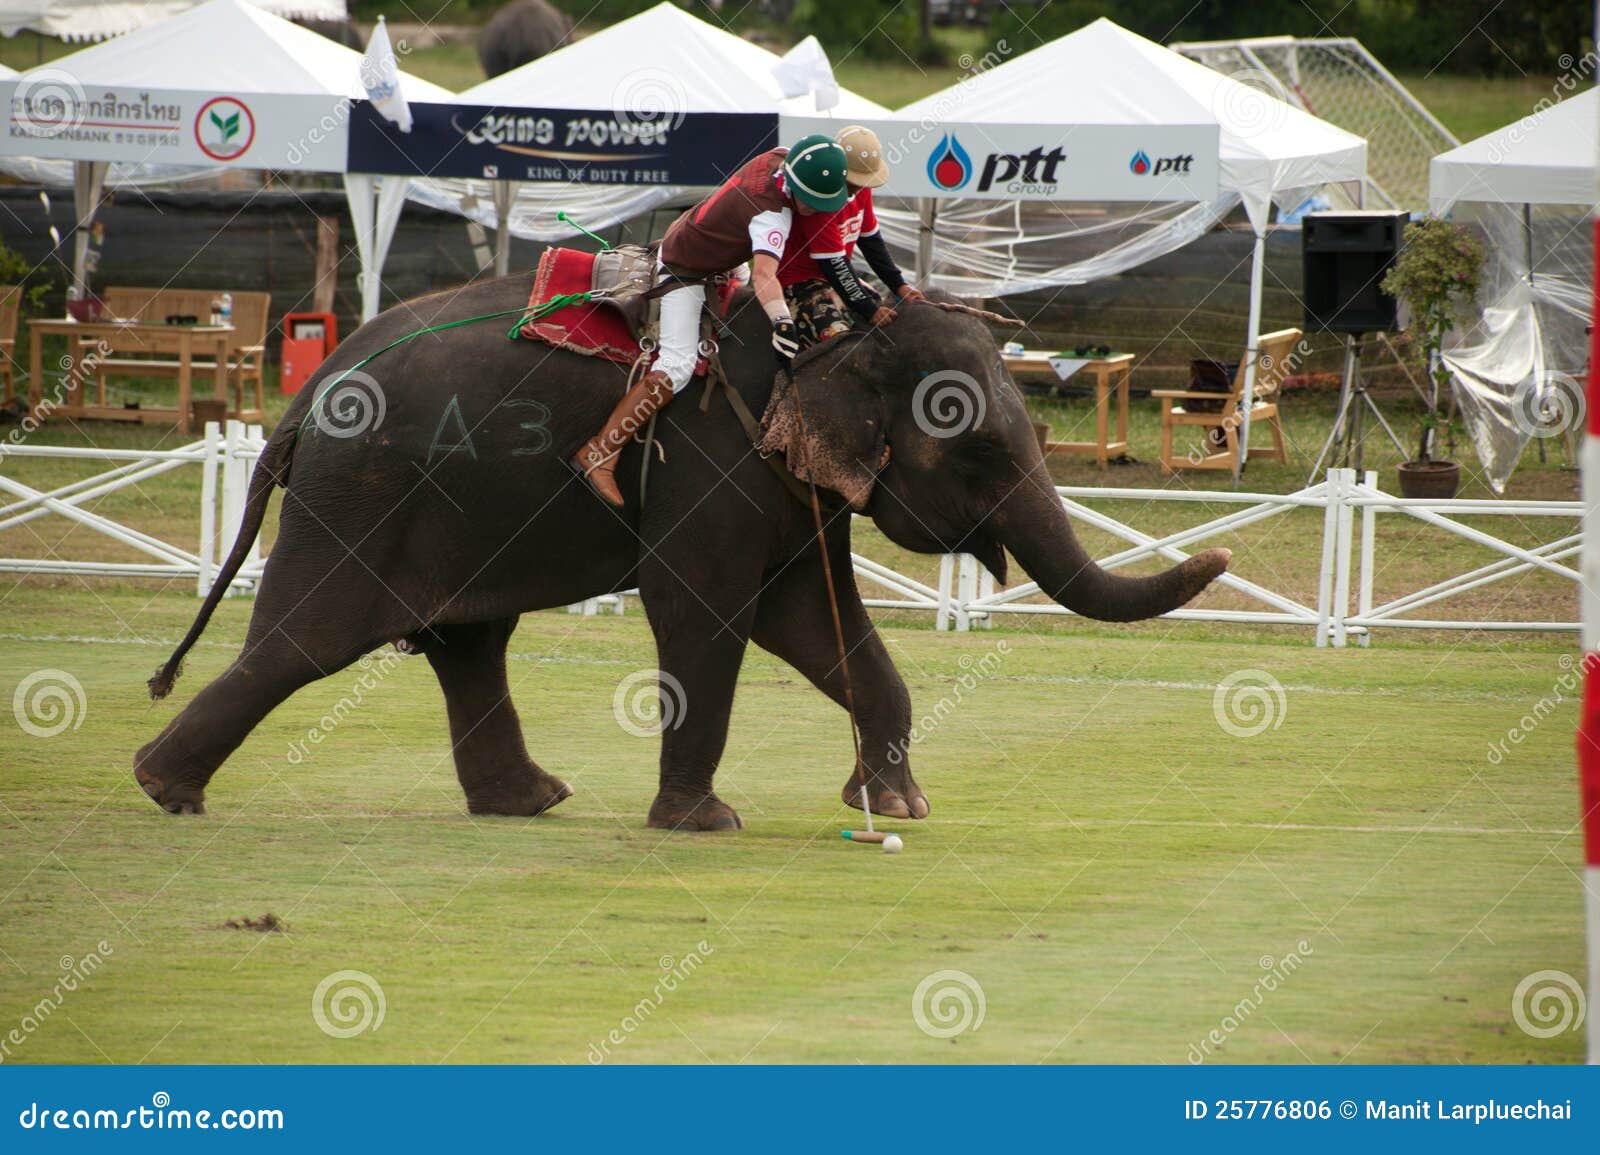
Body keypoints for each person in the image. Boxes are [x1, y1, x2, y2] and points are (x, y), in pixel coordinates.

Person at [571, 134, 850, 506]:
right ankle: (600, 451)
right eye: (813, 203)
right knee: (677, 365)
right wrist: (782, 321)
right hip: (683, 269)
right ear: (796, 188)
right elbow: (765, 275)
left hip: (710, 241)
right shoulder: (772, 216)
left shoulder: (778, 157)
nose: (815, 211)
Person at [777, 124, 923, 349]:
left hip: (836, 278)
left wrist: (899, 286)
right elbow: (833, 262)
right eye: (852, 181)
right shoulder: (820, 198)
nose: (857, 188)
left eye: (863, 181)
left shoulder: (863, 189)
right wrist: (869, 309)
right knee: (838, 339)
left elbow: (871, 241)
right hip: (799, 281)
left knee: (885, 315)